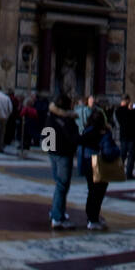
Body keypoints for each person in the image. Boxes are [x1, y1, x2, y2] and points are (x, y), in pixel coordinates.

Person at [46, 93, 79, 229]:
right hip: (63, 154)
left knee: (59, 185)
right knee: (62, 185)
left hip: (53, 153)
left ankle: (57, 211)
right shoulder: (67, 120)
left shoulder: (51, 116)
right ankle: (57, 218)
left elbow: (46, 133)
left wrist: (50, 149)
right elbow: (73, 139)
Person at [78, 99, 111, 230]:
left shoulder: (87, 131)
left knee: (92, 190)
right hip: (98, 162)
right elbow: (109, 149)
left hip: (87, 161)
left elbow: (80, 145)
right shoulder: (103, 133)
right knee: (98, 191)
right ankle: (93, 218)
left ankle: (91, 217)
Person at [115, 95, 135, 180]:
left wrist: (132, 109)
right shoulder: (120, 110)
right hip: (128, 136)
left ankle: (128, 173)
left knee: (130, 156)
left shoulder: (129, 110)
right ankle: (121, 173)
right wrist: (130, 110)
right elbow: (127, 119)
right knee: (124, 155)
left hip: (130, 136)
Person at [76, 94, 95, 179]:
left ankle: (81, 170)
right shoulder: (87, 111)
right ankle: (84, 170)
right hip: (85, 133)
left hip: (82, 133)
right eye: (91, 101)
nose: (92, 102)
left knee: (82, 151)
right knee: (84, 152)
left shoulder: (79, 110)